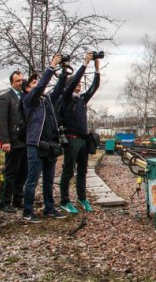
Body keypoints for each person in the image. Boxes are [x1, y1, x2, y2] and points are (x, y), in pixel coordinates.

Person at [21, 54, 67, 223]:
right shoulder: (29, 100)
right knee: (32, 180)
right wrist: (51, 66)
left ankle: (49, 208)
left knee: (48, 180)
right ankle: (27, 211)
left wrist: (63, 71)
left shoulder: (46, 101)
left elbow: (59, 89)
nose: (38, 85)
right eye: (33, 83)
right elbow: (41, 86)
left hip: (50, 145)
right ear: (27, 89)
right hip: (35, 144)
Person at [58, 52, 100, 214]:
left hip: (83, 140)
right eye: (76, 85)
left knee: (82, 170)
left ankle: (82, 198)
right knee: (68, 171)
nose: (79, 86)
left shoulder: (81, 100)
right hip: (71, 139)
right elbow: (74, 80)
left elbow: (94, 87)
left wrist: (96, 69)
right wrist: (85, 63)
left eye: (80, 85)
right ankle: (64, 200)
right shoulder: (66, 98)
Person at [0, 70, 27, 213]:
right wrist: (5, 141)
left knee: (23, 172)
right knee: (11, 172)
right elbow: (2, 121)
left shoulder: (26, 97)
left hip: (25, 141)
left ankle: (18, 199)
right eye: (17, 81)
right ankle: (5, 201)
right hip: (13, 141)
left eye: (22, 80)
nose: (20, 83)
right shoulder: (5, 98)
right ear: (12, 83)